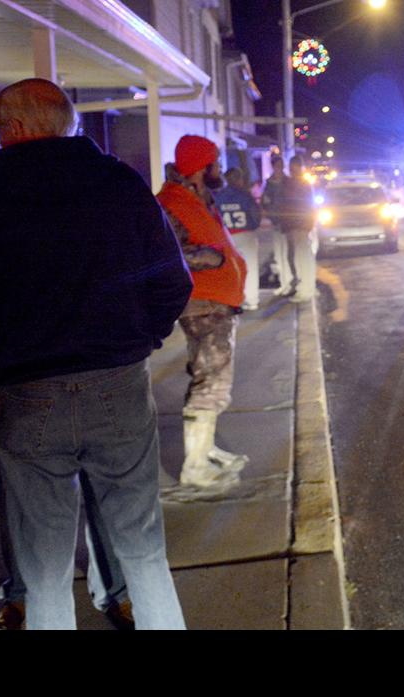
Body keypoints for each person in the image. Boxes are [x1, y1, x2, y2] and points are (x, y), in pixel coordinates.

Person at [0, 77, 191, 629]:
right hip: (119, 382)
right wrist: (140, 341)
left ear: (14, 128)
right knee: (142, 546)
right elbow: (172, 281)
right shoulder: (119, 184)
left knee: (43, 564)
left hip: (24, 392)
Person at [157, 135, 251, 488]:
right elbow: (170, 252)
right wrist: (214, 258)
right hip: (204, 304)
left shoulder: (198, 198)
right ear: (201, 166)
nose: (219, 168)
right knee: (212, 381)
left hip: (215, 302)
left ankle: (205, 449)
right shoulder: (172, 202)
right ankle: (195, 466)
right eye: (215, 162)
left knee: (210, 376)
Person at [214, 166, 264, 310]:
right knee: (250, 268)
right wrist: (254, 226)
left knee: (231, 269)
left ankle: (232, 300)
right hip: (246, 234)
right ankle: (251, 300)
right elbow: (256, 214)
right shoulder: (245, 195)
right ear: (238, 179)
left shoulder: (219, 196)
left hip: (227, 236)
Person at [280, 156, 318, 303]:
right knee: (302, 257)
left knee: (301, 259)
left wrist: (306, 224)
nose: (291, 171)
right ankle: (308, 287)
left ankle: (305, 290)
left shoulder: (298, 184)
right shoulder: (301, 184)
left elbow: (296, 205)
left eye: (292, 168)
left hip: (299, 225)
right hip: (299, 225)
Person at [259, 155, 296, 297]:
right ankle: (284, 283)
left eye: (281, 165)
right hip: (275, 222)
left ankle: (291, 283)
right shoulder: (269, 183)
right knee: (279, 255)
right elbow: (264, 201)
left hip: (288, 223)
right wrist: (267, 211)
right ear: (273, 166)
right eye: (277, 165)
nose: (279, 168)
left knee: (288, 254)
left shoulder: (288, 182)